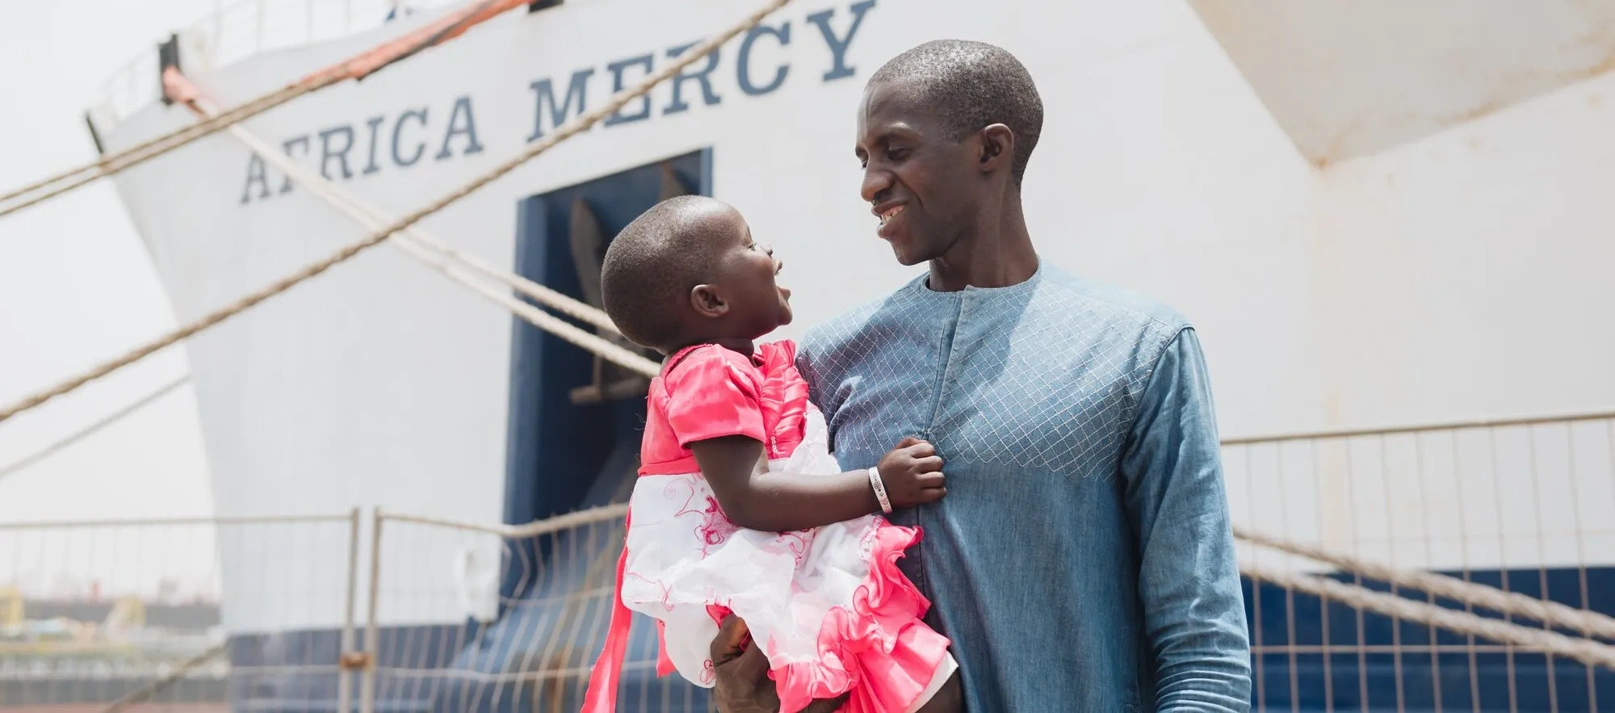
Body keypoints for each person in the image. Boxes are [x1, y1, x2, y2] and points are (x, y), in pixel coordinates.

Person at [711, 39, 1253, 711]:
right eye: (863, 158)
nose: (869, 182)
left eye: (895, 150)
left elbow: (1200, 646)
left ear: (990, 150)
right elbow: (773, 585)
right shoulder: (824, 360)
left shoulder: (1138, 348)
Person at [580, 195, 962, 713]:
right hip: (761, 585)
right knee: (922, 688)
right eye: (750, 244)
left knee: (910, 687)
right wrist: (880, 485)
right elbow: (748, 496)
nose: (771, 253)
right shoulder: (710, 370)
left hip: (781, 573)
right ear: (711, 302)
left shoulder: (737, 366)